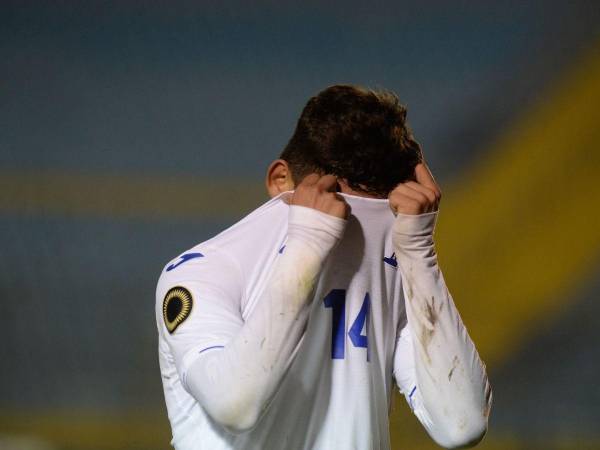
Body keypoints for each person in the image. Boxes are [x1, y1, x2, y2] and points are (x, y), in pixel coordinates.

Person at [155, 85, 492, 450]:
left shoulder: (399, 274)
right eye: (333, 207)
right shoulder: (203, 271)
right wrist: (309, 241)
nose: (356, 238)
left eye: (377, 218)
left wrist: (418, 252)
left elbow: (462, 425)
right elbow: (235, 405)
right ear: (280, 181)